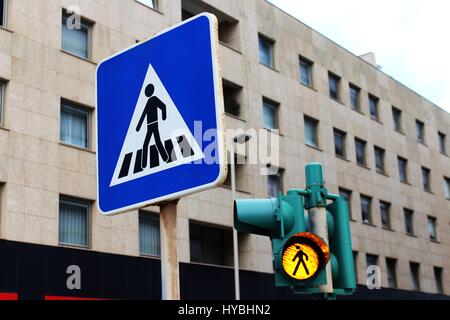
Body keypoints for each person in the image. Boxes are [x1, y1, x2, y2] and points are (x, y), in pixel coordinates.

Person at [136, 84, 169, 167]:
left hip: (154, 124)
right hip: (149, 126)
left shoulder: (154, 99)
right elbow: (144, 114)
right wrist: (138, 127)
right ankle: (144, 164)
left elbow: (163, 106)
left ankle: (164, 158)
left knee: (155, 142)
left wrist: (164, 117)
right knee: (149, 143)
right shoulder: (148, 102)